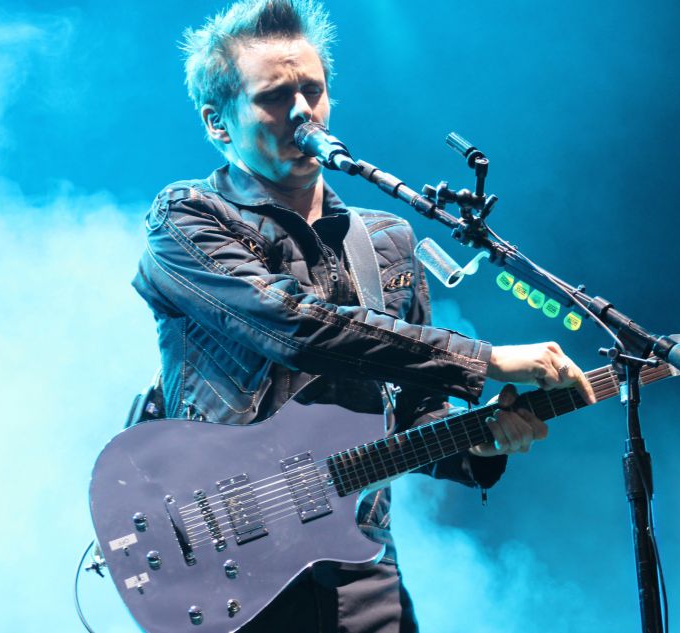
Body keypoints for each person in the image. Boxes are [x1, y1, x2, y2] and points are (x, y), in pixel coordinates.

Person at [130, 1, 596, 630]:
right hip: (222, 559)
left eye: (313, 92)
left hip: (359, 565)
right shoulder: (187, 218)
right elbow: (291, 324)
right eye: (274, 97)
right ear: (218, 122)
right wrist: (483, 359)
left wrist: (482, 441)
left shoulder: (388, 241)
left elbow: (413, 411)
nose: (303, 112)